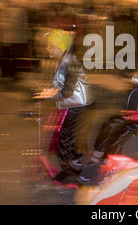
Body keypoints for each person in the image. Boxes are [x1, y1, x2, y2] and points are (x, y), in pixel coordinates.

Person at [34, 29, 96, 183]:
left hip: (81, 105)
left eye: (51, 46)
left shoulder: (70, 63)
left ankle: (69, 172)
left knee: (65, 136)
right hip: (78, 104)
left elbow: (67, 91)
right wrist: (48, 92)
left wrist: (48, 95)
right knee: (70, 135)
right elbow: (62, 85)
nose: (47, 49)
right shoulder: (65, 60)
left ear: (60, 47)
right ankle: (76, 160)